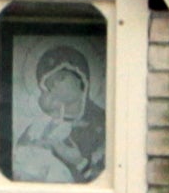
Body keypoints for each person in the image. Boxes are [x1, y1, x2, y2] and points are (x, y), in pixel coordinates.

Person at [11, 35, 104, 181]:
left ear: (81, 78)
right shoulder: (37, 129)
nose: (56, 86)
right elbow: (16, 171)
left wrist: (79, 162)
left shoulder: (102, 123)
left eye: (61, 78)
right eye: (50, 84)